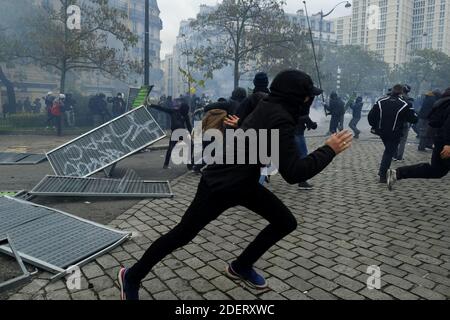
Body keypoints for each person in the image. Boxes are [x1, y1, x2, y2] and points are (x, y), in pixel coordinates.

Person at [117, 69, 353, 300]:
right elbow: (293, 173)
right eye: (306, 96)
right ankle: (131, 276)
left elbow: (254, 129)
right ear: (296, 98)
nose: (309, 100)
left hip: (244, 183)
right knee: (182, 235)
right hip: (220, 185)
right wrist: (328, 150)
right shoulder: (280, 116)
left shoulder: (269, 104)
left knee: (285, 222)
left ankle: (241, 266)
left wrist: (238, 128)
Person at [387, 87, 450, 190]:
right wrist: (448, 144)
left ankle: (397, 173)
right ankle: (397, 173)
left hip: (441, 141)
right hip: (445, 143)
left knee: (436, 170)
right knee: (436, 170)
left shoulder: (443, 101)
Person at [368, 84, 418, 183]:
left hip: (382, 132)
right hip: (394, 132)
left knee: (389, 150)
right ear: (402, 92)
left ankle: (384, 171)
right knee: (388, 153)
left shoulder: (380, 101)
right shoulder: (404, 104)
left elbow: (371, 116)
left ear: (392, 91)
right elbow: (413, 119)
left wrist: (375, 126)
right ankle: (382, 175)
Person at [149, 98, 193, 169]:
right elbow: (162, 108)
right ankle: (167, 165)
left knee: (187, 145)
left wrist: (190, 134)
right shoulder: (176, 112)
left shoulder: (182, 114)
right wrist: (151, 105)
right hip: (178, 133)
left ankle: (188, 163)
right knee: (172, 148)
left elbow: (189, 126)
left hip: (180, 133)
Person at [295, 115, 318, 190]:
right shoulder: (299, 107)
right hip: (297, 134)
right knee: (303, 156)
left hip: (287, 134)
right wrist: (313, 124)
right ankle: (302, 181)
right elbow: (304, 117)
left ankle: (267, 173)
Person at [395, 85, 416, 161]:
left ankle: (394, 155)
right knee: (403, 141)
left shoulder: (397, 98)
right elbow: (412, 113)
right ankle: (399, 156)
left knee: (395, 139)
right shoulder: (410, 100)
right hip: (406, 122)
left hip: (396, 122)